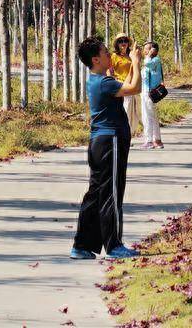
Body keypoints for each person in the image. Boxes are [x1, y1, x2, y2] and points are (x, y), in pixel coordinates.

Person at [71, 36, 142, 260]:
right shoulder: (104, 82)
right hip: (109, 141)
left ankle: (81, 245)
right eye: (104, 52)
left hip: (99, 143)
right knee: (112, 192)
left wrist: (130, 65)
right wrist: (137, 62)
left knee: (95, 193)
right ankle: (114, 245)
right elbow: (135, 88)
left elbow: (125, 86)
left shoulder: (101, 80)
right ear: (95, 59)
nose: (109, 54)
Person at [110, 34, 141, 136]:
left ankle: (128, 134)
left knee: (133, 112)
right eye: (120, 41)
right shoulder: (114, 56)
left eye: (125, 41)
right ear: (117, 44)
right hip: (120, 86)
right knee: (124, 110)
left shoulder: (131, 55)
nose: (123, 43)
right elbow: (109, 70)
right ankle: (122, 134)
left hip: (132, 85)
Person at [141, 40, 164, 149]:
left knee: (148, 116)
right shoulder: (150, 60)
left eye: (149, 48)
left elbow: (147, 63)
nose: (147, 50)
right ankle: (157, 140)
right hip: (145, 91)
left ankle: (149, 140)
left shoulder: (154, 60)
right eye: (146, 48)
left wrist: (149, 55)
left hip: (150, 92)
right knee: (152, 116)